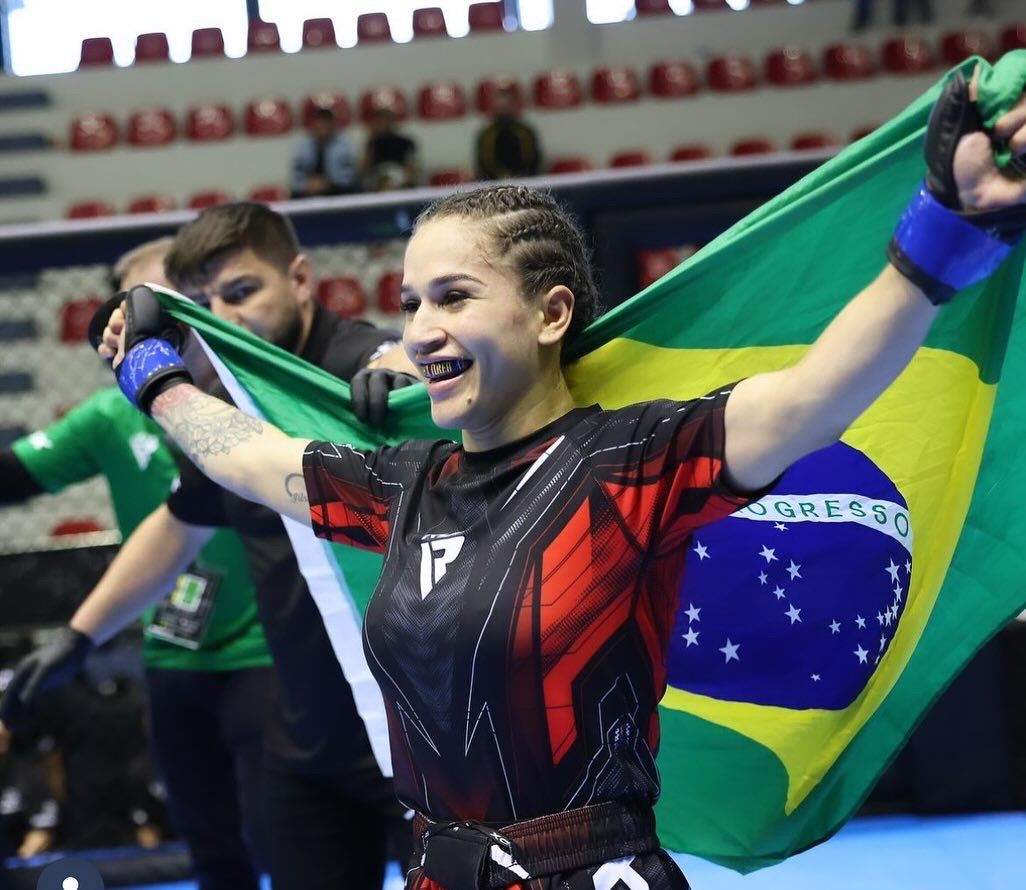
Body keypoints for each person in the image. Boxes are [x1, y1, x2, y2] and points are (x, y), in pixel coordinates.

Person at [93, 72, 1026, 888]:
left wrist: (942, 231)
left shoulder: (635, 461)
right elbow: (251, 458)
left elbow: (816, 396)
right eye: (410, 303)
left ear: (550, 314)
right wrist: (155, 377)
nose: (419, 331)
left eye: (455, 297)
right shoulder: (402, 484)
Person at [0, 204, 419, 890]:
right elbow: (178, 524)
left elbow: (390, 352)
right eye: (204, 304)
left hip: (419, 743)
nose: (224, 316)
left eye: (242, 291)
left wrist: (411, 377)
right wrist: (78, 637)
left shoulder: (343, 360)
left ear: (300, 280)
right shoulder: (233, 403)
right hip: (308, 745)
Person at [0, 237, 272, 890]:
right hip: (174, 651)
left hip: (271, 649)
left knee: (294, 834)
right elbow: (13, 476)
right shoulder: (109, 415)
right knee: (208, 843)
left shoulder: (254, 392)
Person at [474, 82, 542, 180]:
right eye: (500, 106)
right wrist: (502, 176)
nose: (503, 109)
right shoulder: (486, 134)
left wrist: (519, 175)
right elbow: (484, 163)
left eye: (506, 106)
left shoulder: (525, 132)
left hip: (525, 179)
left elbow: (533, 159)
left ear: (513, 106)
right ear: (494, 107)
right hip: (494, 182)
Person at [289, 106, 359, 199]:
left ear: (333, 124)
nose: (323, 126)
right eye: (320, 122)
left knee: (353, 189)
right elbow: (294, 178)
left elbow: (349, 176)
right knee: (294, 195)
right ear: (314, 124)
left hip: (336, 189)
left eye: (326, 122)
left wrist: (327, 183)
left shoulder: (343, 144)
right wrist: (307, 184)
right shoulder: (303, 145)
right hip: (310, 190)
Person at [361, 105, 419, 192]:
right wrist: (372, 140)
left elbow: (412, 167)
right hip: (377, 179)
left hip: (400, 178)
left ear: (393, 122)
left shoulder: (405, 142)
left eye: (387, 120)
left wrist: (407, 178)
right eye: (380, 121)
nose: (384, 123)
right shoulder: (372, 143)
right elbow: (363, 170)